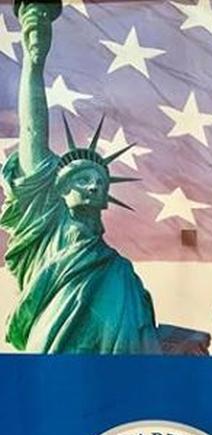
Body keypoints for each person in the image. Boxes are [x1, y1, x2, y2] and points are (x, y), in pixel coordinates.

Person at [0, 0, 161, 354]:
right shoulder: (46, 223)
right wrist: (34, 62)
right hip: (53, 350)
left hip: (111, 373)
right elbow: (31, 131)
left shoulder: (118, 271)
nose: (94, 185)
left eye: (100, 182)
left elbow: (139, 337)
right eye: (82, 179)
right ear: (58, 188)